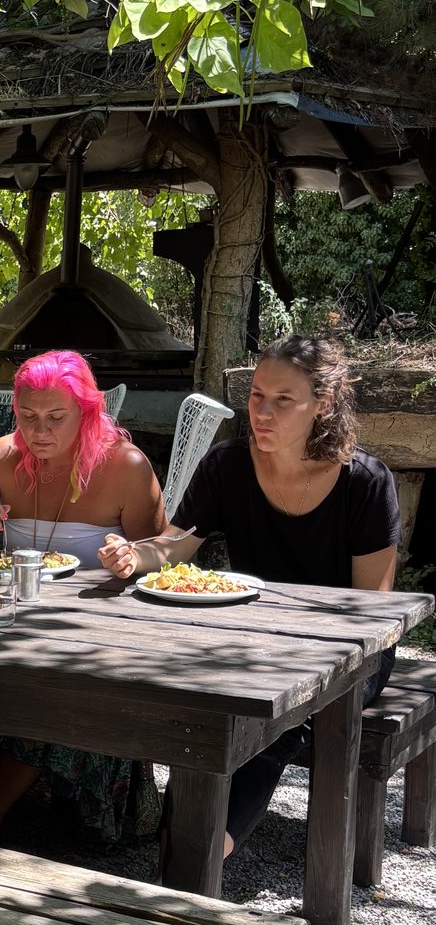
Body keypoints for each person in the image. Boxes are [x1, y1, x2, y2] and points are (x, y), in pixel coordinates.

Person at [101, 333, 400, 858]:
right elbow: (175, 546)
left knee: (282, 716)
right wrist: (134, 556)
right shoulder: (227, 465)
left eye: (283, 400)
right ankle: (183, 836)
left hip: (347, 652)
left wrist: (307, 652)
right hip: (248, 641)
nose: (262, 412)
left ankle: (202, 848)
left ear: (322, 404)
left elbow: (372, 609)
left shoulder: (365, 482)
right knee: (185, 697)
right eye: (257, 396)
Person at [0, 349, 166, 845]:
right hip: (21, 623)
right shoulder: (4, 455)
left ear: (87, 412)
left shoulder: (125, 466)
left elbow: (162, 558)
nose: (39, 431)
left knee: (64, 689)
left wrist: (130, 555)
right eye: (28, 417)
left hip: (98, 633)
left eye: (56, 418)